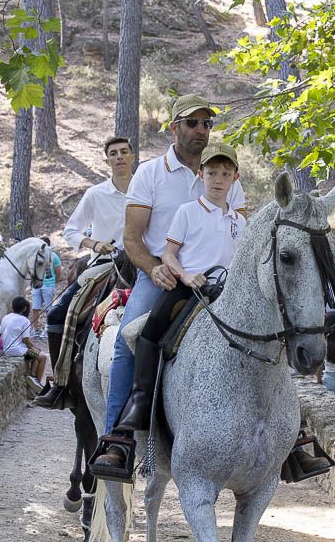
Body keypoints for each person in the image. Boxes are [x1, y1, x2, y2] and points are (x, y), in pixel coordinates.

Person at [90, 97, 245, 475]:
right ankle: (118, 439)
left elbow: (236, 233)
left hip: (220, 281)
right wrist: (155, 268)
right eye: (192, 123)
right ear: (174, 128)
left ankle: (283, 435)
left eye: (206, 124)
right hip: (163, 275)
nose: (200, 130)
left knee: (267, 330)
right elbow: (132, 238)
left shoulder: (225, 174)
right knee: (129, 338)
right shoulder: (150, 174)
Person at [34, 135, 134, 408]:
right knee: (56, 313)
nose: (119, 157)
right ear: (107, 160)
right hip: (105, 265)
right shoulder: (95, 194)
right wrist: (94, 244)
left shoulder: (147, 190)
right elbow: (71, 231)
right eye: (113, 153)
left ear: (132, 156)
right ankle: (61, 384)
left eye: (124, 152)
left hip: (143, 264)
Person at [0, 296, 47, 386]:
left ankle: (32, 376)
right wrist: (36, 349)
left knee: (35, 356)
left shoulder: (6, 317)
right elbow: (26, 341)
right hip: (17, 350)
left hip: (6, 349)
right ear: (24, 308)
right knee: (42, 357)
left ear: (12, 306)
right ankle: (37, 384)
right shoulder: (25, 321)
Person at [30, 237, 62, 332]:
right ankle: (35, 329)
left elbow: (58, 270)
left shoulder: (53, 256)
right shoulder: (36, 256)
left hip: (48, 285)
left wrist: (54, 282)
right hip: (36, 285)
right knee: (35, 308)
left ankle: (47, 329)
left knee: (48, 309)